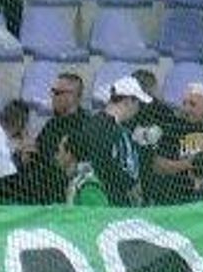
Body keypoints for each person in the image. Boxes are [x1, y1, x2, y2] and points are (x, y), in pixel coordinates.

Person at [75, 75, 152, 206]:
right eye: (137, 103)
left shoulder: (107, 125)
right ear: (128, 101)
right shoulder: (102, 127)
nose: (138, 109)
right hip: (107, 202)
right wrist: (131, 185)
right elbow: (102, 162)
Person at [27, 72, 89, 203]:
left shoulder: (86, 125)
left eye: (57, 93)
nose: (53, 97)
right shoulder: (52, 124)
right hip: (40, 192)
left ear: (73, 96)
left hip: (68, 194)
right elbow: (37, 153)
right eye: (53, 92)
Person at [55, 134, 110, 207]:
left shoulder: (87, 185)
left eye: (58, 151)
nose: (56, 156)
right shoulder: (76, 181)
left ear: (69, 154)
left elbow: (98, 214)